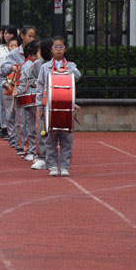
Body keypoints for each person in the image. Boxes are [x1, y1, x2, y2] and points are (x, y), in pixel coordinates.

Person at [36, 37, 81, 177]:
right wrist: (41, 108)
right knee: (50, 139)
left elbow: (78, 76)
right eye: (56, 47)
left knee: (67, 138)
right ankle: (53, 166)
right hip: (50, 107)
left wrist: (67, 73)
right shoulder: (45, 67)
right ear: (51, 50)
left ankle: (65, 166)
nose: (58, 49)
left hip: (66, 106)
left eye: (61, 46)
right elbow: (39, 88)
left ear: (65, 49)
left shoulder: (71, 65)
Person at [1, 25, 37, 153]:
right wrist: (13, 67)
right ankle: (20, 144)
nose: (32, 38)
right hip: (20, 88)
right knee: (20, 119)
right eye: (29, 36)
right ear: (22, 36)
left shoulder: (37, 51)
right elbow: (3, 69)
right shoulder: (15, 53)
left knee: (33, 121)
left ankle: (32, 146)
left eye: (33, 36)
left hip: (33, 88)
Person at [15, 39, 41, 162]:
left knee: (40, 128)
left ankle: (39, 151)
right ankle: (31, 149)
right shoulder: (28, 65)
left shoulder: (46, 65)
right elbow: (24, 82)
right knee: (30, 126)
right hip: (31, 99)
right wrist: (19, 91)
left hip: (42, 100)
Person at [0, 25, 16, 143]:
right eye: (6, 33)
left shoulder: (18, 48)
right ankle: (3, 126)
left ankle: (14, 126)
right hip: (2, 79)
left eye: (10, 34)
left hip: (15, 78)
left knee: (14, 103)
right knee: (3, 103)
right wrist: (1, 74)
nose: (8, 36)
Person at [30, 39, 52, 171]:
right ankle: (42, 157)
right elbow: (31, 79)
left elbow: (76, 76)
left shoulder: (66, 64)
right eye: (53, 47)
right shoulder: (39, 64)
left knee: (61, 130)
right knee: (42, 129)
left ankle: (58, 157)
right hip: (44, 101)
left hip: (59, 100)